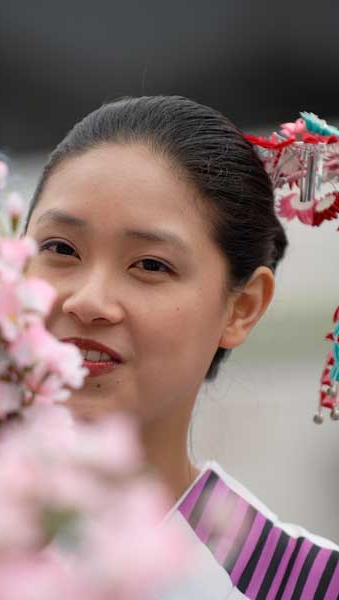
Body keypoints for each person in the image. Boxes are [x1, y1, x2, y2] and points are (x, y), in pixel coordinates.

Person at [24, 95, 338, 599]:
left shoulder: (303, 584)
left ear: (242, 308)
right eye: (60, 249)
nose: (88, 301)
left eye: (150, 264)